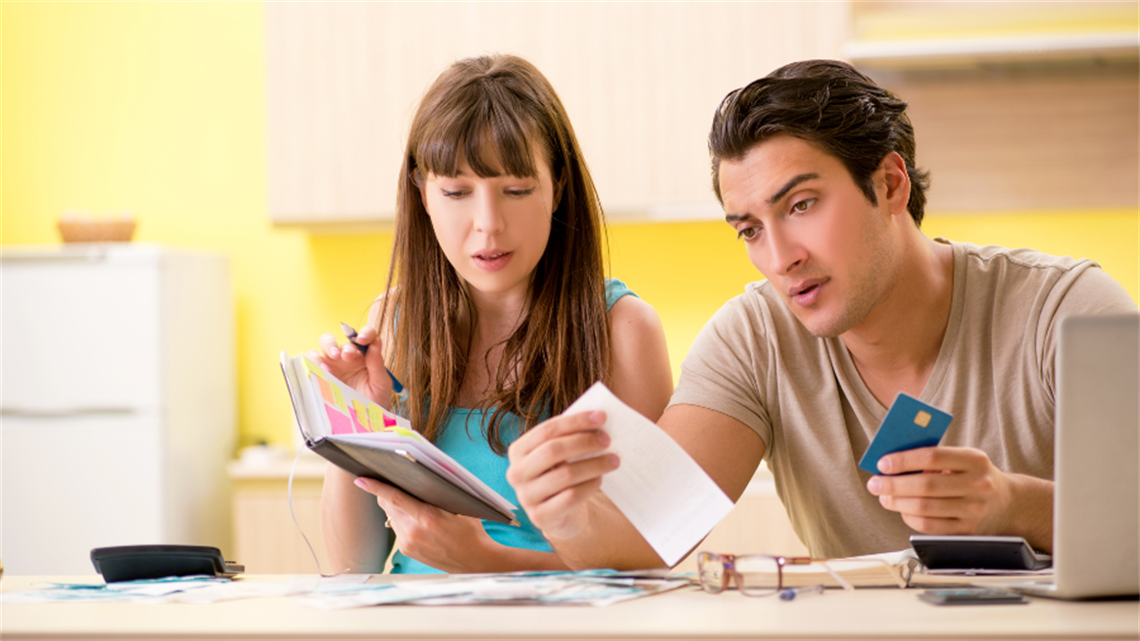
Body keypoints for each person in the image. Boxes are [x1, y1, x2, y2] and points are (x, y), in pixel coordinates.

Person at [505, 59, 1139, 568]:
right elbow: (644, 542)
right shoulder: (753, 339)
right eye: (750, 229)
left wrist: (1014, 506)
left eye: (802, 204)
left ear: (891, 185)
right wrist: (562, 510)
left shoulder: (1067, 311)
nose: (780, 258)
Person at [311, 54, 673, 574]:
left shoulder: (623, 330)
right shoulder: (393, 322)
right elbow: (350, 568)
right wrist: (354, 423)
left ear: (558, 188)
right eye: (456, 192)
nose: (488, 224)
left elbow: (649, 568)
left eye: (517, 190)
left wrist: (485, 561)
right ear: (424, 196)